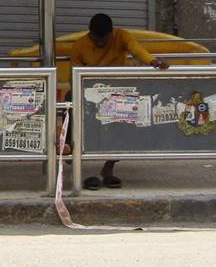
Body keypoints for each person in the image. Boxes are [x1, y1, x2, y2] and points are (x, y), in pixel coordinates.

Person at [65, 12, 168, 190]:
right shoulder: (80, 45)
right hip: (91, 92)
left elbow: (137, 50)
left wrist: (153, 62)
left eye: (104, 38)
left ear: (111, 33)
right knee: (70, 105)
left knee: (122, 126)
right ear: (90, 33)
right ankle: (70, 152)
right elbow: (72, 74)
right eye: (96, 38)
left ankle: (108, 169)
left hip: (117, 91)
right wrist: (81, 93)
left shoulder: (121, 36)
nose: (100, 43)